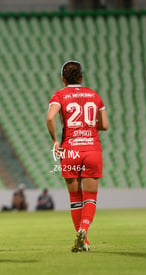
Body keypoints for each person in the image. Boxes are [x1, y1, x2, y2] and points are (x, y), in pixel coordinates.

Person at [46, 61, 109, 252]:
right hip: (91, 149)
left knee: (75, 197)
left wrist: (55, 141)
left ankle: (83, 241)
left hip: (70, 149)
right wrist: (87, 126)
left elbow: (50, 117)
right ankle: (84, 229)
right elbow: (104, 125)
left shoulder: (60, 95)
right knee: (90, 196)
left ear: (63, 79)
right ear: (81, 77)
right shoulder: (94, 95)